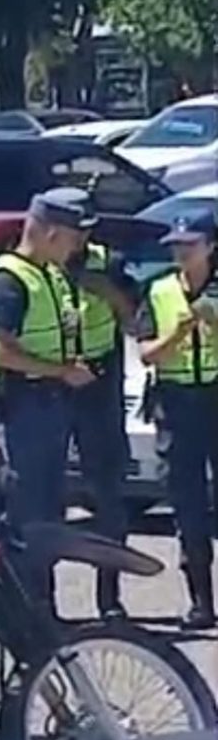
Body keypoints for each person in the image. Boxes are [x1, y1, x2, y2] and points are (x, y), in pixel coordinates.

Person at [0, 188, 98, 611]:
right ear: (47, 233)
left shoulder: (49, 272)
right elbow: (5, 351)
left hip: (50, 406)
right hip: (21, 407)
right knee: (26, 516)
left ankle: (44, 609)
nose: (77, 246)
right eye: (71, 236)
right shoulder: (8, 281)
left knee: (48, 514)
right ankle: (25, 613)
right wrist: (63, 370)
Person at [137, 212, 218, 629]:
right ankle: (201, 601)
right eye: (176, 246)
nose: (181, 252)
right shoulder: (159, 290)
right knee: (187, 506)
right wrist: (178, 334)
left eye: (190, 244)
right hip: (178, 402)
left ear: (209, 247)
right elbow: (146, 352)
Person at [61, 226, 138, 617]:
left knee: (107, 495)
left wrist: (108, 292)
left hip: (98, 384)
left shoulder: (110, 263)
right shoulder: (35, 262)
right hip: (50, 383)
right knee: (44, 499)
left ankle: (109, 598)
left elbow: (136, 325)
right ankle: (43, 603)